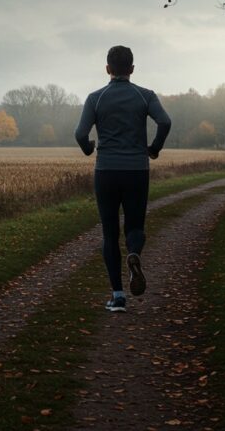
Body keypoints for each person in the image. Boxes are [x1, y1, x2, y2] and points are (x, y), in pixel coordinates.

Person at [74, 45, 171, 313]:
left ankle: (117, 296)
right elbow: (165, 122)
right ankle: (134, 254)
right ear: (131, 69)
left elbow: (80, 133)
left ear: (107, 69)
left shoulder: (96, 98)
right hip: (137, 171)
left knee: (109, 232)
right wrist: (154, 148)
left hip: (106, 171)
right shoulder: (145, 96)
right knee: (135, 227)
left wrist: (88, 148)